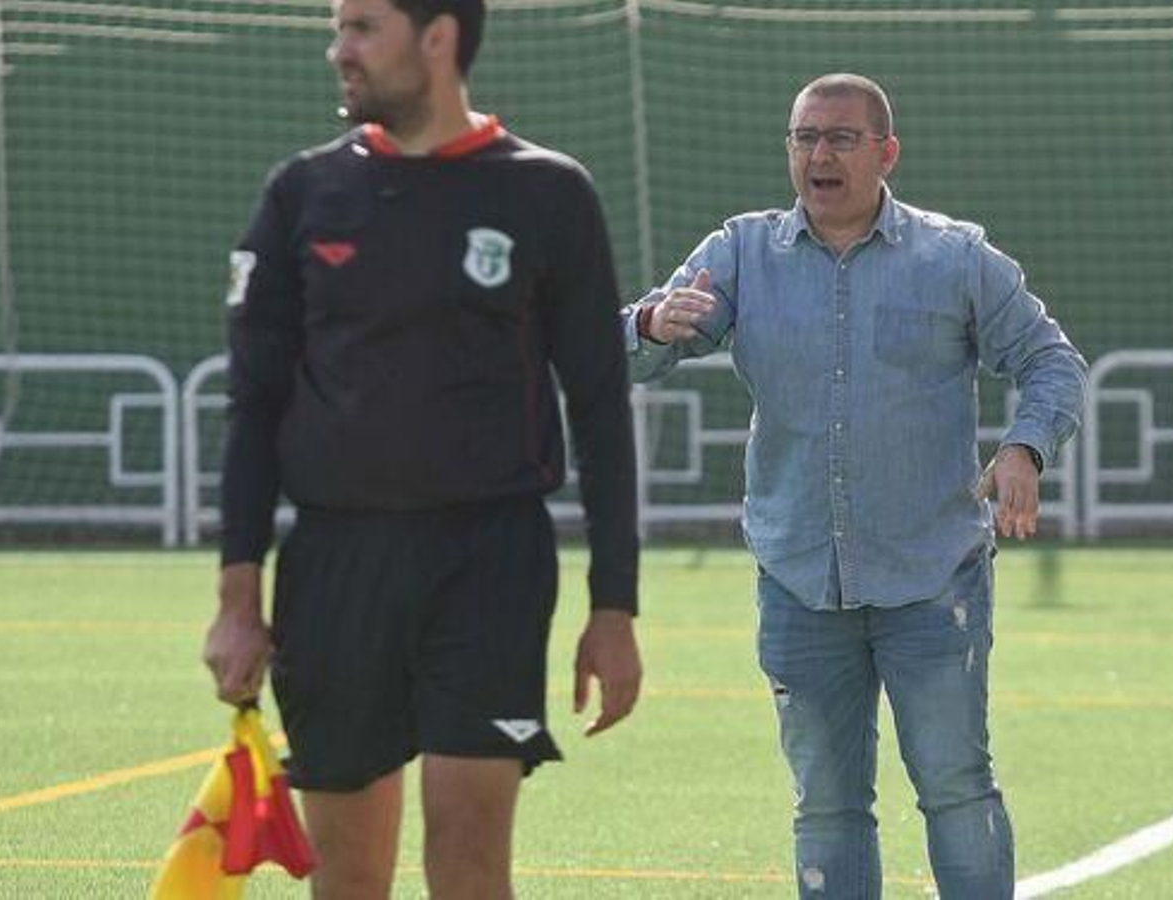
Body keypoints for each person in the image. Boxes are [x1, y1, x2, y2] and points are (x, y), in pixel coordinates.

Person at [201, 0, 643, 895]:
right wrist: (238, 599)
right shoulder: (302, 192)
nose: (340, 51)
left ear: (436, 38)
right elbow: (253, 407)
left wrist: (614, 607)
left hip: (490, 561)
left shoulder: (548, 192)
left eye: (363, 28)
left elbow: (599, 407)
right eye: (339, 28)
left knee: (470, 861)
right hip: (333, 564)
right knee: (348, 877)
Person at [622, 73, 1086, 899]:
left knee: (955, 789)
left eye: (840, 138)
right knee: (827, 807)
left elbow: (1052, 360)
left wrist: (1025, 448)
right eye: (804, 138)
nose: (818, 155)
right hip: (799, 578)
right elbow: (642, 341)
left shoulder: (956, 258)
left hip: (930, 578)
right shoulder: (740, 252)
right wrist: (648, 326)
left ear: (886, 152)